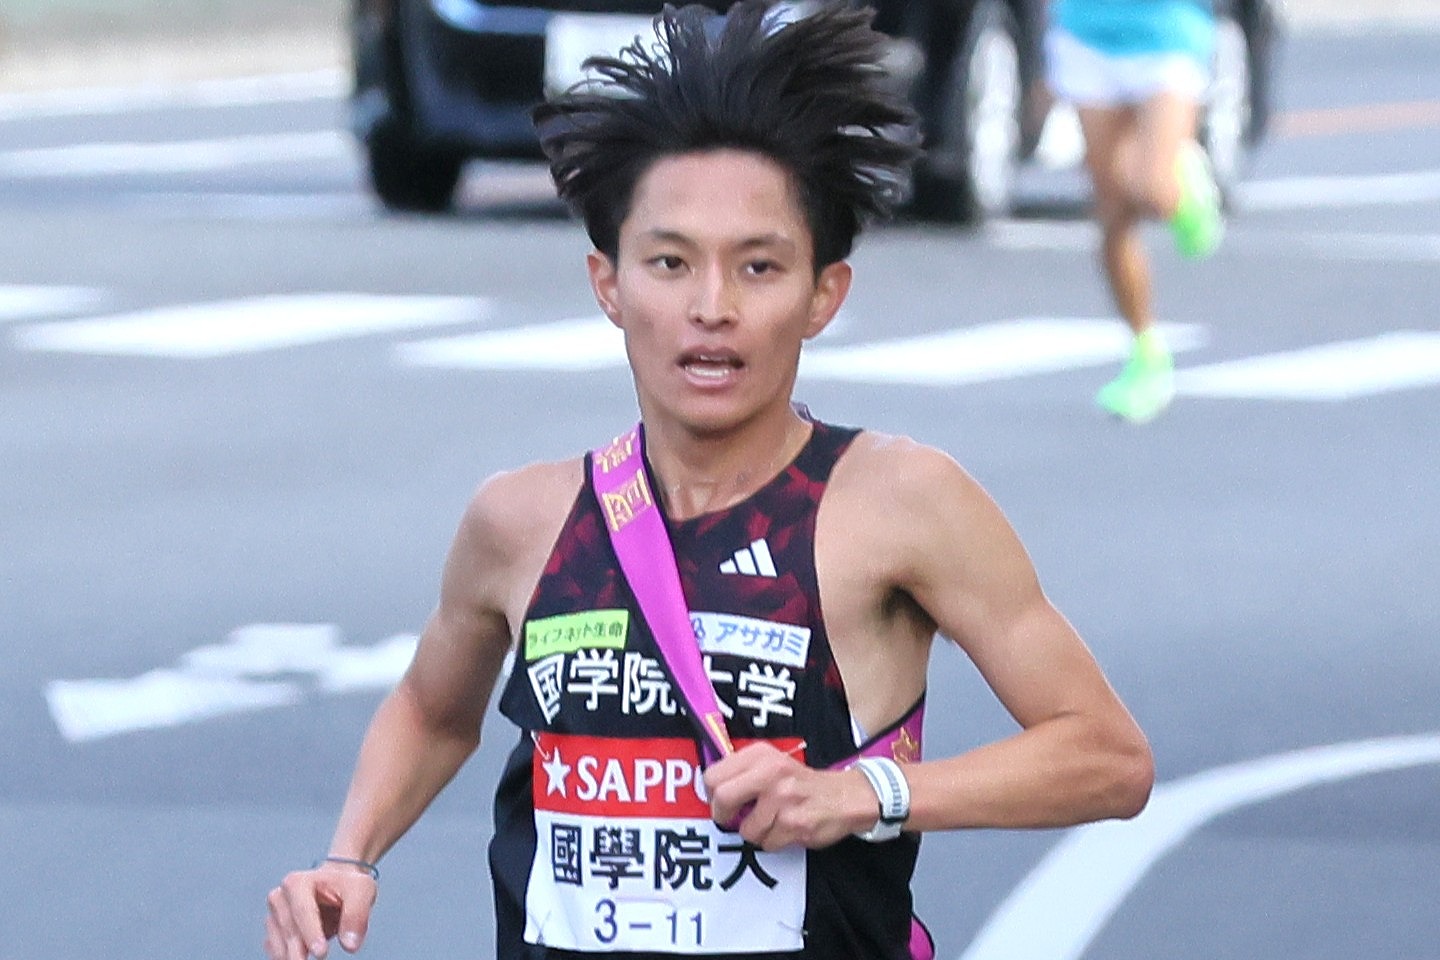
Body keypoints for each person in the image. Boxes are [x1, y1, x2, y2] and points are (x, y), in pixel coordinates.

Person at [263, 4, 1154, 959]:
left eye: (759, 267)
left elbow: (1108, 756)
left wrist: (862, 794)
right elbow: (432, 713)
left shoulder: (897, 504)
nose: (711, 307)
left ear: (823, 295)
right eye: (670, 262)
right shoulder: (520, 521)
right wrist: (350, 856)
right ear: (609, 284)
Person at [1045, 0, 1225, 423]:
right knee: (1111, 208)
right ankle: (1146, 353)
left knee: (1153, 190)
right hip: (1086, 31)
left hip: (1167, 30)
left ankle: (1183, 179)